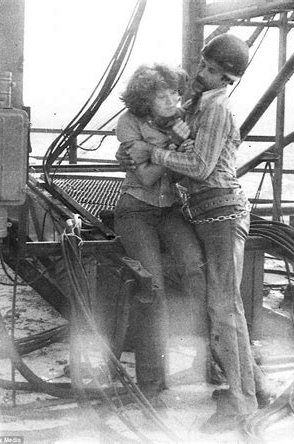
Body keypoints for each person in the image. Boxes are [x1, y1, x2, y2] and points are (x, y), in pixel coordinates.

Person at [123, 35, 269, 431]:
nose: (200, 74)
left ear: (227, 78)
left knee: (224, 310)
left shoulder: (218, 109)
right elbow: (182, 141)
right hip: (204, 216)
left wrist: (153, 154)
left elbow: (202, 166)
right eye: (202, 66)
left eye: (209, 70)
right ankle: (256, 387)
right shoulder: (200, 107)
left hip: (222, 215)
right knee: (223, 307)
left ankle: (241, 405)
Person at [113, 63, 207, 400]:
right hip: (136, 210)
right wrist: (173, 147)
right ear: (145, 100)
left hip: (171, 210)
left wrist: (160, 153)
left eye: (174, 94)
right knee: (152, 288)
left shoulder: (182, 120)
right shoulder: (128, 122)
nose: (171, 101)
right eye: (162, 96)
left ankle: (211, 360)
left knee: (197, 270)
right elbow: (147, 178)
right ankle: (151, 381)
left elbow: (190, 169)